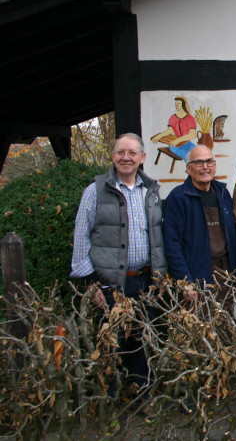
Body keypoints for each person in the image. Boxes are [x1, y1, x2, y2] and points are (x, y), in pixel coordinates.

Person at [71, 133, 167, 392]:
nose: (126, 157)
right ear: (112, 156)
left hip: (144, 279)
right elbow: (81, 236)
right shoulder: (95, 191)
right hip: (110, 282)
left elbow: (158, 237)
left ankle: (140, 394)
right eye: (121, 152)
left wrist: (160, 275)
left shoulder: (151, 192)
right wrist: (92, 283)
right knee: (111, 342)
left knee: (141, 339)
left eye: (132, 153)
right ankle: (110, 399)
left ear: (142, 158)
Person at [163, 145, 236, 294]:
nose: (205, 167)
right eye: (199, 163)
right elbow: (172, 244)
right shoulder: (179, 197)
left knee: (225, 317)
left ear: (215, 166)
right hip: (196, 276)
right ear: (188, 168)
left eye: (209, 162)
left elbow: (233, 236)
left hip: (224, 274)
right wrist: (185, 280)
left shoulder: (222, 193)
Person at [150, 96, 198, 161]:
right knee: (188, 157)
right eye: (175, 104)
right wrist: (158, 137)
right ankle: (192, 170)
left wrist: (178, 140)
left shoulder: (190, 118)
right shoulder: (173, 118)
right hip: (174, 145)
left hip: (187, 143)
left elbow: (192, 135)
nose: (176, 105)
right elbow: (169, 131)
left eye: (178, 104)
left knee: (199, 154)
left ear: (183, 105)